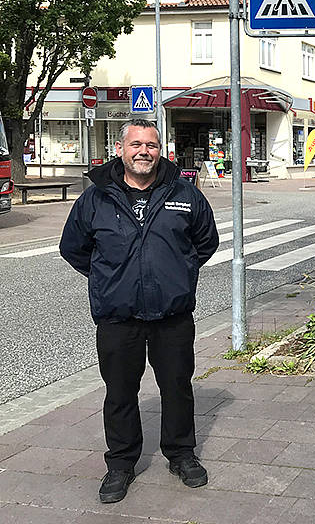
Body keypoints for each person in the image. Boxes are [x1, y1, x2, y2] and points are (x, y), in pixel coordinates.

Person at [59, 119, 219, 503]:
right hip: (118, 317)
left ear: (159, 150)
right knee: (119, 392)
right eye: (136, 144)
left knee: (177, 388)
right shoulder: (95, 198)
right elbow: (74, 248)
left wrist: (177, 273)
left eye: (150, 144)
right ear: (121, 149)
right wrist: (109, 278)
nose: (143, 151)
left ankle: (181, 454)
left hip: (172, 316)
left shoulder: (184, 193)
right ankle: (120, 464)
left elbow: (205, 242)